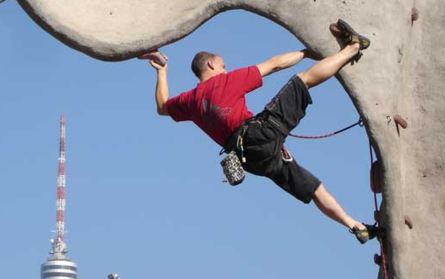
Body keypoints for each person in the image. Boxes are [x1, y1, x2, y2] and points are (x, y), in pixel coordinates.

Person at [147, 20, 377, 244]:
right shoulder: (225, 81)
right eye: (223, 65)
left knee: (312, 187)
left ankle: (355, 225)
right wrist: (306, 52)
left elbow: (162, 107)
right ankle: (353, 48)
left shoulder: (189, 100)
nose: (225, 68)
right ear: (211, 66)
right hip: (259, 135)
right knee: (302, 80)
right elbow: (274, 64)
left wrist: (162, 72)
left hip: (251, 161)